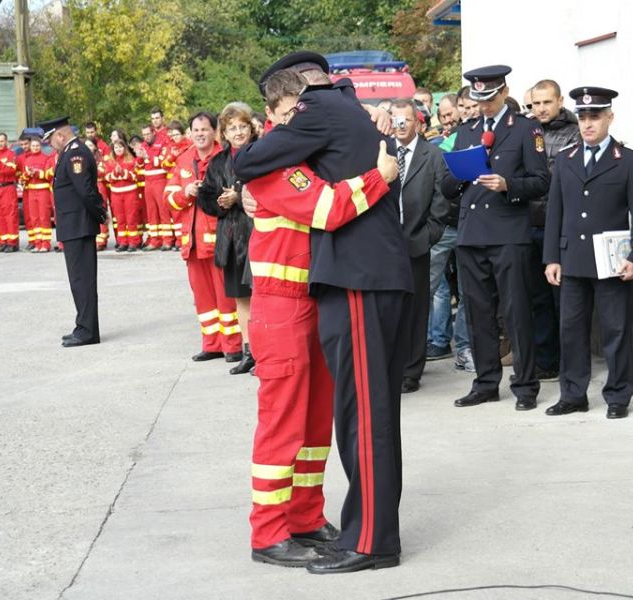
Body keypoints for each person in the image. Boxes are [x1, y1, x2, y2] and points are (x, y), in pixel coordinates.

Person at [234, 51, 412, 574]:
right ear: (276, 113)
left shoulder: (301, 154)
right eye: (295, 111)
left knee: (315, 427)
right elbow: (328, 209)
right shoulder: (271, 165)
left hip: (313, 302)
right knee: (282, 425)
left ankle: (306, 517)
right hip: (281, 309)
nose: (303, 119)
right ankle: (268, 531)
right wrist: (379, 176)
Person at [443, 65, 550, 410]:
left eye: (489, 98)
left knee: (516, 311)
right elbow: (447, 186)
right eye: (478, 99)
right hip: (472, 234)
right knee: (478, 312)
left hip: (508, 233)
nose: (484, 106)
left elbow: (541, 181)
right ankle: (486, 382)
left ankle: (525, 385)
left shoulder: (524, 128)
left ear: (504, 92)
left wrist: (509, 186)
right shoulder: (467, 131)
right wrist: (460, 176)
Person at [543, 87, 633, 418]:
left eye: (595, 117)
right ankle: (573, 394)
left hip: (611, 262)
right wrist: (551, 257)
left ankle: (618, 396)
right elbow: (555, 212)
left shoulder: (629, 160)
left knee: (615, 330)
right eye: (583, 117)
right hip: (572, 258)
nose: (588, 124)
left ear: (609, 118)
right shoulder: (566, 160)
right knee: (571, 330)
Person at [163, 112, 243, 363]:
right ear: (190, 133)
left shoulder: (224, 158)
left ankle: (233, 346)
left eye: (204, 129)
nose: (200, 134)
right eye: (195, 130)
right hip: (193, 242)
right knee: (203, 298)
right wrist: (186, 192)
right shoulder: (183, 160)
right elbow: (169, 199)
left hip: (220, 240)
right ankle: (212, 344)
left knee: (227, 297)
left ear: (214, 132)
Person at [391, 99, 450, 393]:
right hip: (385, 244)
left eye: (406, 120)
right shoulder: (383, 152)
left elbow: (442, 199)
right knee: (390, 308)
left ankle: (411, 370)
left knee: (416, 308)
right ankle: (390, 364)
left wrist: (429, 234)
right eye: (396, 119)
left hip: (416, 241)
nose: (400, 125)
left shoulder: (433, 155)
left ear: (417, 123)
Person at [528, 79, 582, 380]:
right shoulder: (526, 131)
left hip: (559, 228)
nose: (541, 108)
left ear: (559, 101)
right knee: (537, 300)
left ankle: (570, 364)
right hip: (529, 225)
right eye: (536, 103)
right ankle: (546, 361)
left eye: (547, 102)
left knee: (564, 301)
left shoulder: (573, 134)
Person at [199, 103, 257, 375]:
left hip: (258, 234)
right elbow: (206, 199)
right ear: (223, 132)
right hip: (231, 239)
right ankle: (250, 352)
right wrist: (221, 202)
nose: (238, 132)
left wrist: (240, 196)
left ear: (251, 127)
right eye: (232, 128)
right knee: (240, 299)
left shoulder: (262, 154)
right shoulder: (218, 162)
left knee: (262, 297)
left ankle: (266, 352)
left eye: (242, 126)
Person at [39, 116, 107, 347]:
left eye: (50, 140)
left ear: (60, 135)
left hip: (79, 225)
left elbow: (85, 190)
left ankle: (87, 331)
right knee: (78, 280)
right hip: (73, 225)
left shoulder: (75, 153)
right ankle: (83, 326)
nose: (50, 144)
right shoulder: (69, 152)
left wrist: (99, 214)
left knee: (82, 280)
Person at [105, 139, 142, 251]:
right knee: (120, 220)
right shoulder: (110, 162)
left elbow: (136, 176)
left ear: (124, 148)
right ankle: (123, 242)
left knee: (131, 219)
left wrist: (124, 173)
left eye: (120, 147)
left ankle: (133, 242)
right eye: (116, 148)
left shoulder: (131, 160)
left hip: (130, 193)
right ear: (113, 150)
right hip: (116, 194)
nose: (118, 149)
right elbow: (107, 178)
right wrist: (115, 173)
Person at [140, 123, 172, 250]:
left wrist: (148, 157)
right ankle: (154, 240)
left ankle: (167, 240)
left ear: (154, 132)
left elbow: (163, 162)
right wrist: (139, 158)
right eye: (144, 135)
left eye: (148, 134)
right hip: (148, 181)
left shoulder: (162, 143)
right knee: (151, 212)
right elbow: (139, 165)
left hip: (160, 180)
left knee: (163, 210)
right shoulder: (143, 145)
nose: (146, 137)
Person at [0, 132, 20, 252]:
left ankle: (12, 243)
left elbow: (9, 171)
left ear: (6, 142)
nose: (0, 143)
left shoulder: (10, 154)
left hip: (7, 188)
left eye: (2, 141)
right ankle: (3, 241)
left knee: (10, 215)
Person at [21, 137, 55, 252]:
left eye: (37, 146)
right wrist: (27, 174)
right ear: (30, 147)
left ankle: (45, 244)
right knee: (34, 218)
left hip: (43, 191)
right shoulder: (27, 159)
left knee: (44, 217)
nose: (35, 148)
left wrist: (36, 173)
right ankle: (37, 243)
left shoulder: (46, 158)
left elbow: (48, 175)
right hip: (31, 192)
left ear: (40, 146)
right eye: (33, 146)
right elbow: (23, 178)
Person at [163, 120, 192, 249]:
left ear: (182, 134)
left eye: (176, 134)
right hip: (171, 182)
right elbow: (164, 165)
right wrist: (171, 157)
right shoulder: (169, 147)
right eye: (172, 135)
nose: (174, 137)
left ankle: (182, 240)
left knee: (183, 213)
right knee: (174, 214)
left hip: (184, 181)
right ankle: (178, 239)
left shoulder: (189, 146)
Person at [84, 138, 112, 251]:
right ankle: (93, 240)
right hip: (88, 187)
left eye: (90, 145)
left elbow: (101, 172)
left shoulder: (100, 159)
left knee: (100, 212)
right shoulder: (82, 158)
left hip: (99, 186)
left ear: (95, 147)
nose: (88, 148)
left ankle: (101, 240)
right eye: (86, 145)